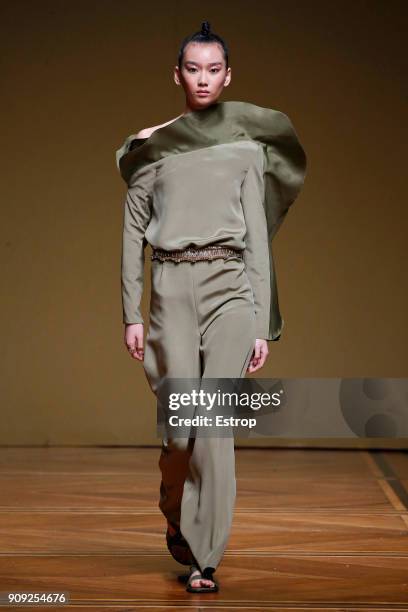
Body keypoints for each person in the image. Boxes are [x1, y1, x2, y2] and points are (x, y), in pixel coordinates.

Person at [115, 21, 307, 594]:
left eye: (213, 69)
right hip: (170, 289)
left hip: (231, 288)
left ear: (228, 76)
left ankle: (205, 556)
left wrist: (261, 323)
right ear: (178, 74)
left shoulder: (247, 150)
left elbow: (257, 238)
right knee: (182, 430)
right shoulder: (155, 150)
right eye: (192, 69)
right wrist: (131, 310)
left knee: (215, 424)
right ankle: (176, 506)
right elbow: (132, 234)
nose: (203, 79)